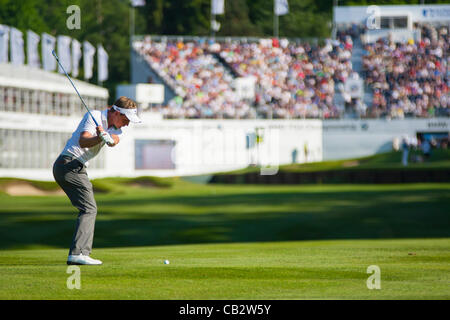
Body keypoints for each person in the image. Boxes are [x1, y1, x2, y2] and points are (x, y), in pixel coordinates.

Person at [53, 96, 141, 265]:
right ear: (115, 112)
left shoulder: (118, 127)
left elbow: (114, 141)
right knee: (89, 208)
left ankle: (79, 253)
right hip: (68, 164)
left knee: (88, 208)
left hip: (76, 167)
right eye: (126, 119)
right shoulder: (93, 116)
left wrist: (108, 137)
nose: (127, 123)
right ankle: (78, 253)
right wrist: (99, 137)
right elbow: (83, 141)